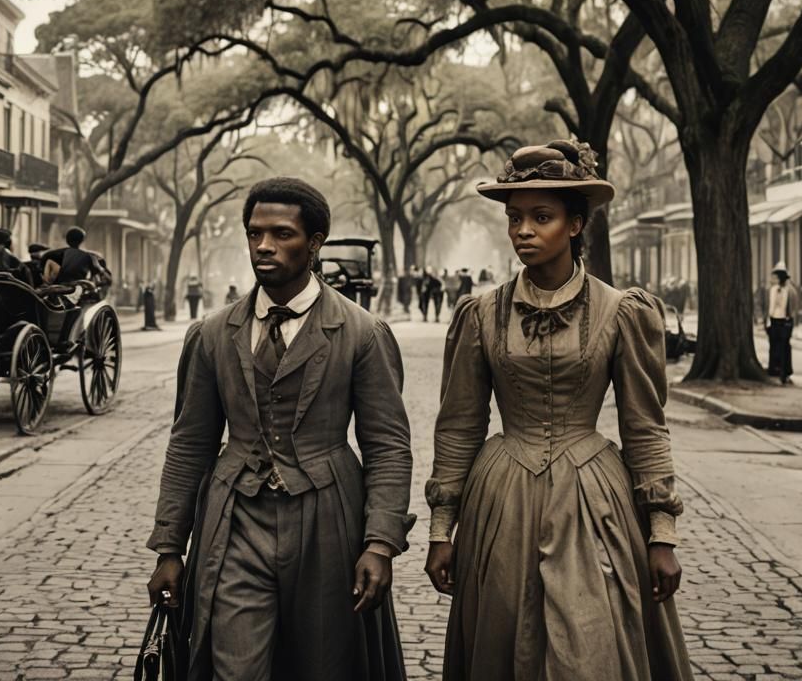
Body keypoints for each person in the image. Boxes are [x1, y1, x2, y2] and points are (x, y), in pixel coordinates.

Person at [424, 138, 691, 679]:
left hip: (593, 499)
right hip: (503, 500)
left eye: (541, 217)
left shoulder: (621, 312)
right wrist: (440, 530)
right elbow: (458, 426)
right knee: (502, 643)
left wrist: (661, 532)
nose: (523, 230)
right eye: (515, 217)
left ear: (574, 225)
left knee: (590, 648)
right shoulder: (480, 315)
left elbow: (645, 426)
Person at [146, 177, 412, 681]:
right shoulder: (211, 334)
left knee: (327, 665)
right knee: (234, 666)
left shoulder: (362, 333)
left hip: (327, 519)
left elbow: (388, 446)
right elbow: (190, 444)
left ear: (314, 244)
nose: (264, 245)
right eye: (254, 234)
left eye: (282, 234)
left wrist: (380, 543)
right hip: (234, 520)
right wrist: (169, 547)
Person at [42, 226, 110, 286]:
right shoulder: (89, 257)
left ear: (66, 239)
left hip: (54, 289)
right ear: (82, 240)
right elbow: (101, 273)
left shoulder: (51, 254)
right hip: (77, 289)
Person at [765, 262, 798, 385]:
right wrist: (767, 320)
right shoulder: (772, 290)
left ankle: (784, 372)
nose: (773, 280)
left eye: (776, 277)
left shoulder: (790, 292)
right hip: (773, 320)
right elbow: (768, 306)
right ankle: (773, 370)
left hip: (784, 321)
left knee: (784, 347)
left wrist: (790, 320)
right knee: (773, 346)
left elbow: (793, 308)